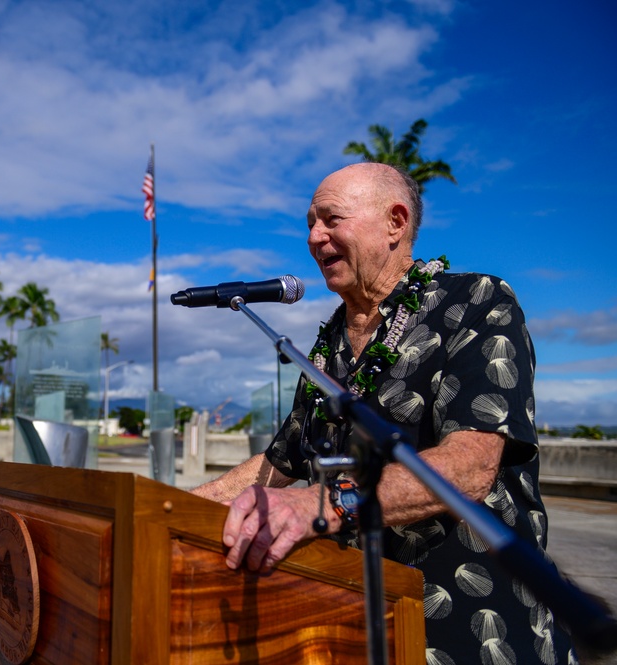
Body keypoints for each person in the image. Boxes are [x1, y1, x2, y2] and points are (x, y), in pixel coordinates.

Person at [192, 162, 578, 664]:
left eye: (331, 219)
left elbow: (471, 465)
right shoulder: (329, 342)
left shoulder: (477, 302)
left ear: (395, 223)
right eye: (309, 221)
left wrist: (324, 504)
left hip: (472, 625)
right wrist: (172, 506)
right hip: (352, 620)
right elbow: (280, 463)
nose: (314, 237)